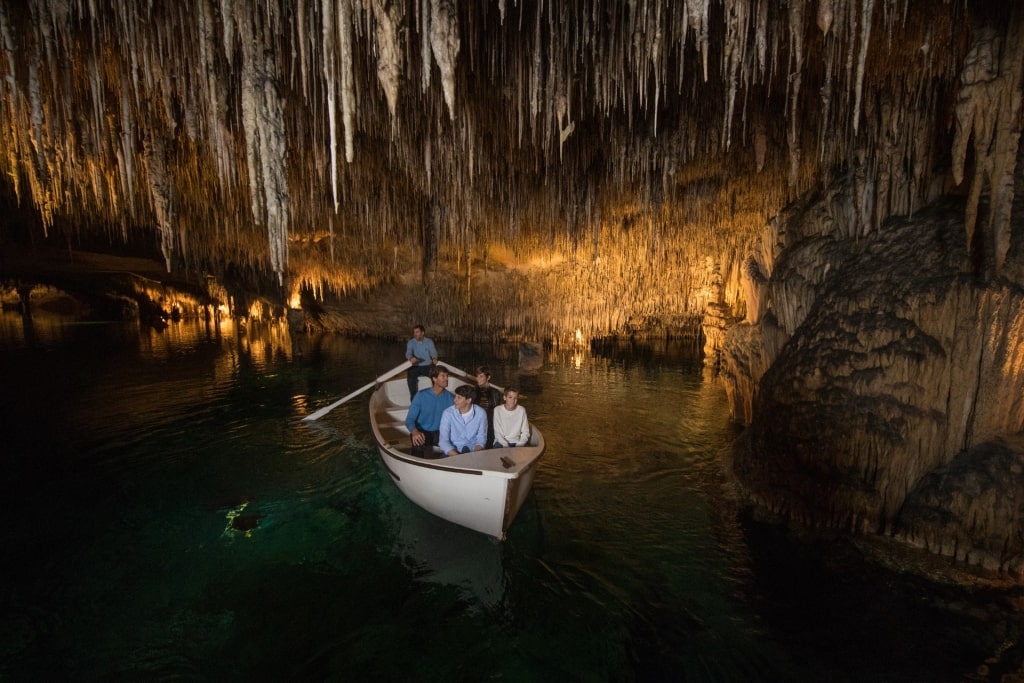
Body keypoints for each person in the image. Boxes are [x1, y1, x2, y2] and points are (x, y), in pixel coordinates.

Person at [405, 365, 454, 458]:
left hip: (441, 432)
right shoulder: (421, 396)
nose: (446, 379)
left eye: (447, 376)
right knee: (417, 441)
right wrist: (415, 431)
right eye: (443, 376)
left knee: (455, 443)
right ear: (434, 379)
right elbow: (409, 419)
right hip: (422, 432)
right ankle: (417, 466)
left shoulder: (451, 398)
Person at [439, 385, 488, 457]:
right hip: (453, 452)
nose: (455, 400)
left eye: (459, 397)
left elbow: (481, 439)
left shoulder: (481, 413)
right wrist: (457, 457)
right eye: (455, 396)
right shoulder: (448, 413)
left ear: (468, 400)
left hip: (473, 452)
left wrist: (474, 455)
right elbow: (443, 441)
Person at [405, 324, 438, 400]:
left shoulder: (429, 342)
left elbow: (433, 352)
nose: (415, 334)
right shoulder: (411, 342)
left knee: (436, 376)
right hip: (416, 365)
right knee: (410, 376)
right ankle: (414, 398)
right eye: (414, 332)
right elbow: (408, 352)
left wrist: (434, 358)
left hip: (427, 366)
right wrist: (410, 358)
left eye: (417, 332)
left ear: (422, 333)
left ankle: (436, 396)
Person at [473, 365, 503, 447]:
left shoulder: (495, 393)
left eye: (481, 376)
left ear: (488, 377)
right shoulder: (473, 391)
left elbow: (497, 411)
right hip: (476, 423)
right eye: (477, 376)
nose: (478, 378)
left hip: (490, 423)